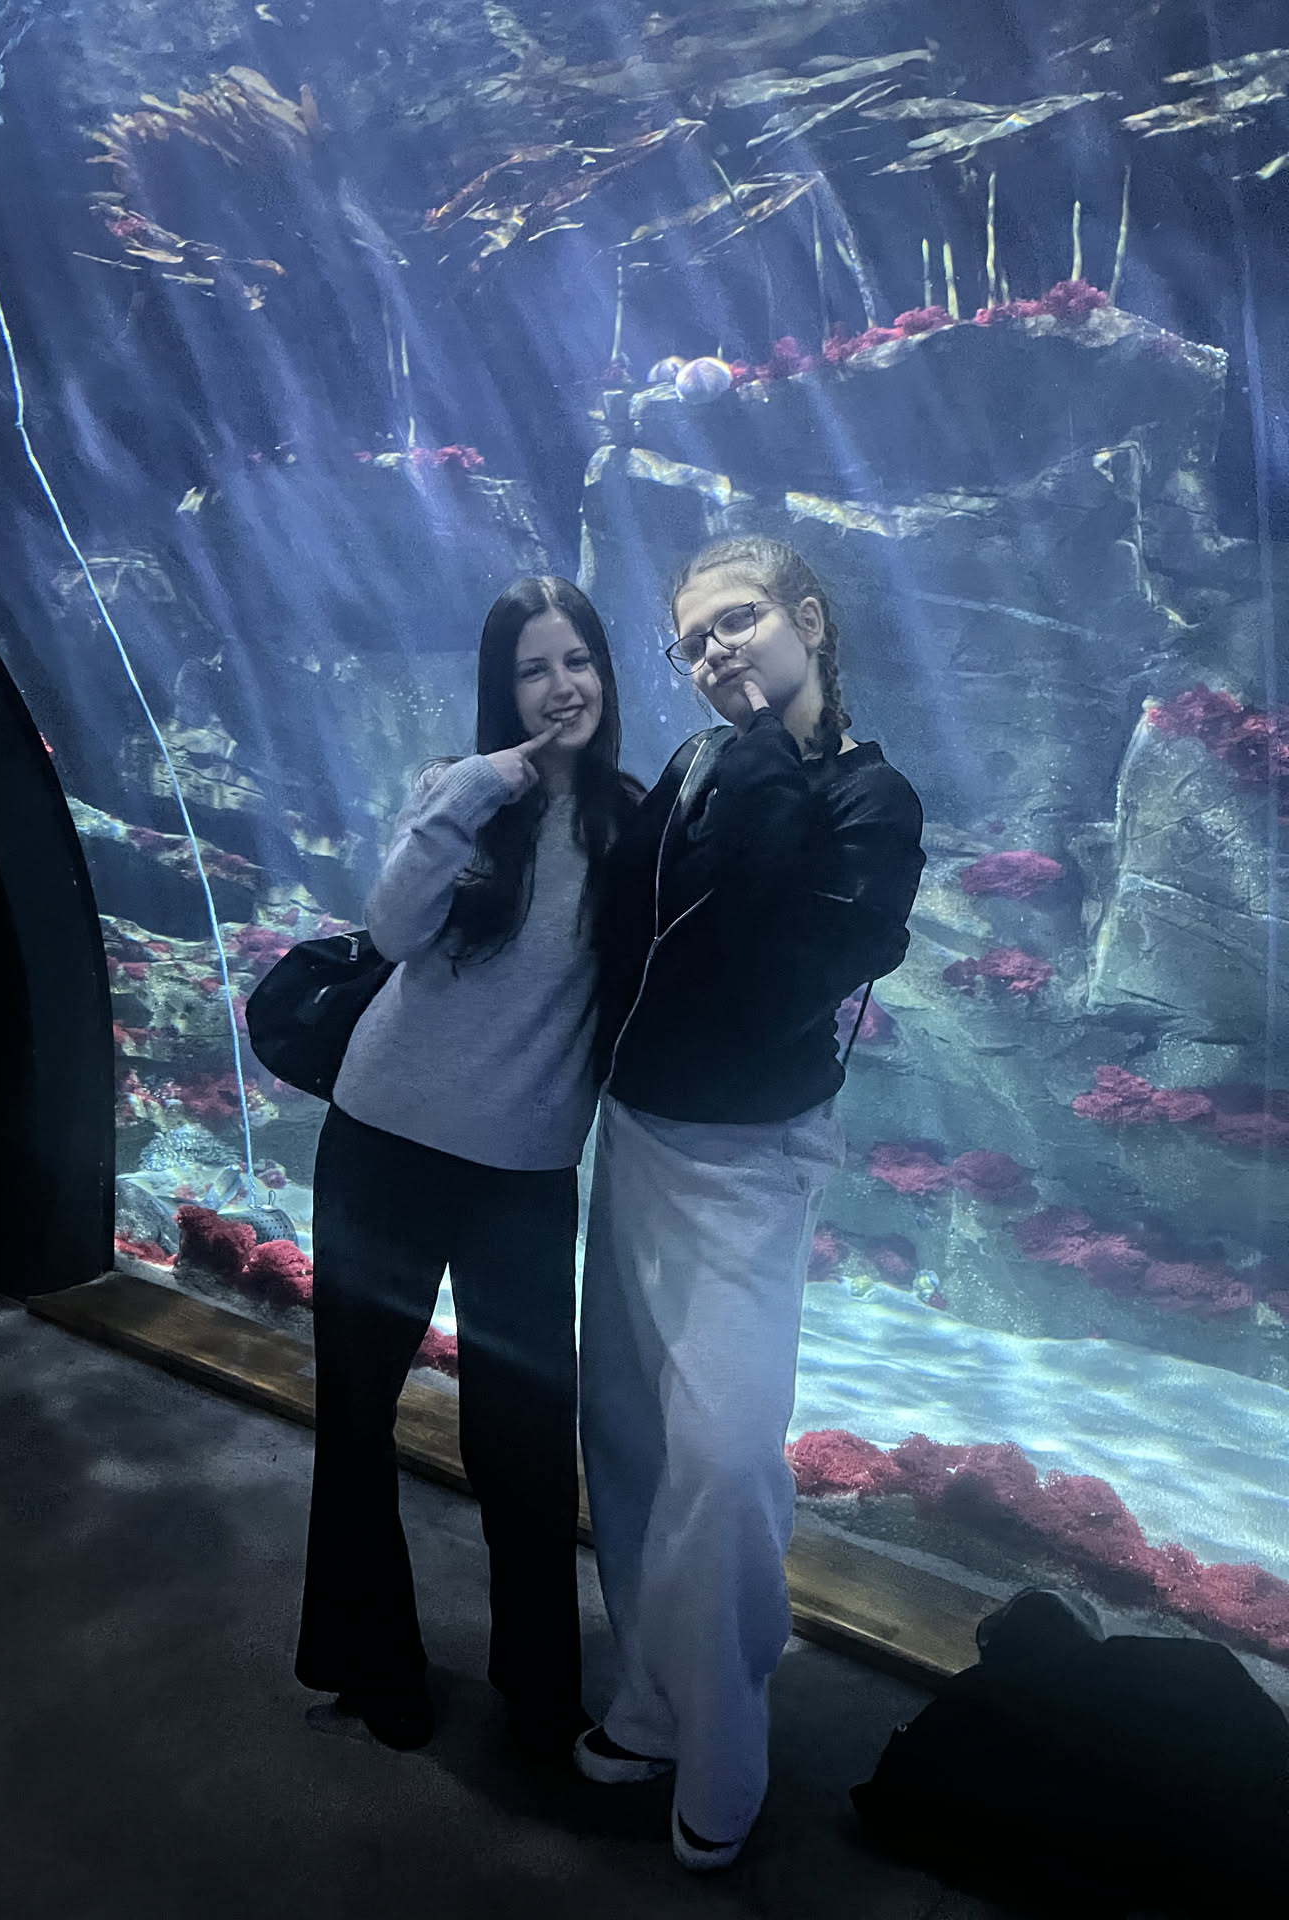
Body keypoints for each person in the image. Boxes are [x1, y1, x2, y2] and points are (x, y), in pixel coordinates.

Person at [574, 535, 926, 1869]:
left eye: (737, 621)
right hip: (635, 1132)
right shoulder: (698, 762)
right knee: (630, 1441)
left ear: (809, 620)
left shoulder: (872, 799)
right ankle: (655, 1701)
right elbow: (629, 925)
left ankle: (726, 1747)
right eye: (693, 640)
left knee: (723, 1462)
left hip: (749, 1160)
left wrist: (770, 746)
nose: (713, 651)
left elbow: (779, 974)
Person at [295, 575, 641, 1758]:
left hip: (522, 1173)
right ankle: (373, 1661)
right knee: (356, 1415)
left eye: (577, 661)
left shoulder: (634, 822)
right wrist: (481, 784)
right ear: (505, 689)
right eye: (533, 669)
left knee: (527, 1441)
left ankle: (539, 1691)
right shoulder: (461, 791)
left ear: (606, 673)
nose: (561, 687)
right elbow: (391, 930)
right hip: (382, 1142)